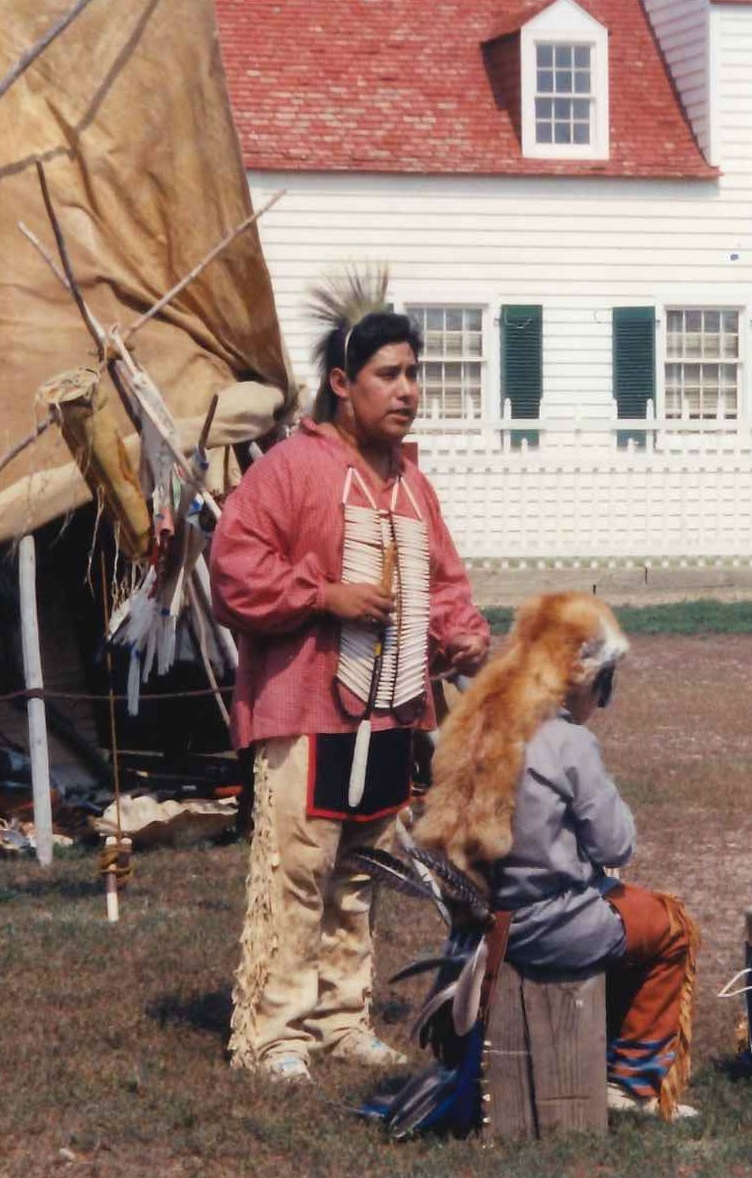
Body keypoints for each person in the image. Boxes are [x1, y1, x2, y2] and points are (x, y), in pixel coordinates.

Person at [211, 276, 490, 1082]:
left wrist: (460, 635)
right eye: (388, 376)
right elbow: (234, 567)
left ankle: (341, 1017)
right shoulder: (291, 470)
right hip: (306, 705)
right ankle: (275, 1032)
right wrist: (321, 595)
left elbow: (443, 582)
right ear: (342, 384)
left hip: (392, 705)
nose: (408, 391)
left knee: (363, 873)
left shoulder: (412, 485)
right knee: (297, 870)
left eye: (413, 374)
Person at [416, 592, 700, 1119]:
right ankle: (633, 1083)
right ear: (586, 679)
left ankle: (606, 1051)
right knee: (670, 926)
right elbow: (617, 845)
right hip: (544, 925)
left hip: (481, 924)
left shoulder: (480, 716)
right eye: (605, 683)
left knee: (627, 909)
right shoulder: (568, 742)